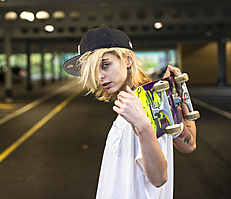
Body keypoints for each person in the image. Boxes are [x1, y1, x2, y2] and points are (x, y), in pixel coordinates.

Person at [63, 26, 197, 199]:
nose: (100, 76)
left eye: (105, 65)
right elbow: (189, 144)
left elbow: (159, 178)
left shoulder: (142, 105)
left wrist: (143, 125)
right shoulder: (148, 98)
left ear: (127, 60)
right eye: (94, 70)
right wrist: (180, 93)